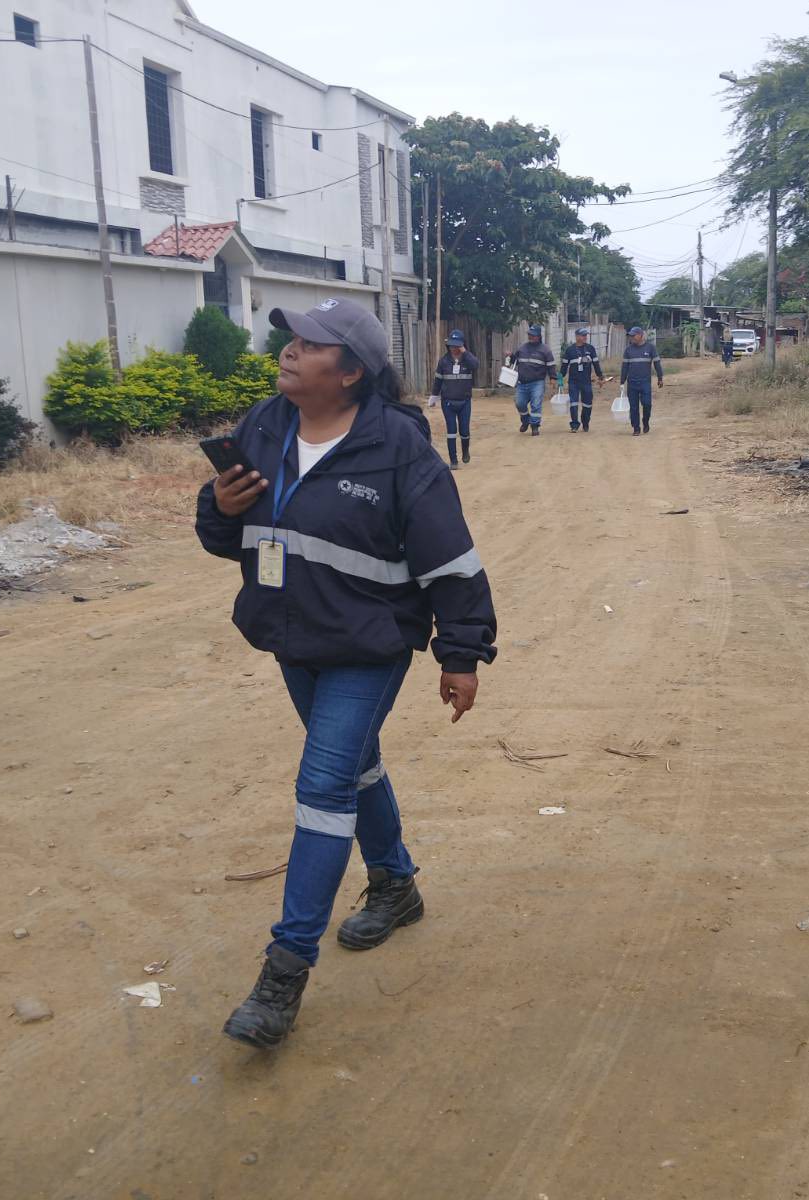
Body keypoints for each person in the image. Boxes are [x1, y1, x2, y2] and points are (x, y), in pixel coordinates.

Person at [195, 297, 498, 1050]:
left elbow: (452, 561)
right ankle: (395, 884)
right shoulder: (265, 426)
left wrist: (461, 654)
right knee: (355, 769)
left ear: (353, 371)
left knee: (324, 785)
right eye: (290, 339)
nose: (290, 351)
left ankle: (285, 969)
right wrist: (219, 506)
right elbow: (226, 534)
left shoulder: (397, 450)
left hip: (370, 643)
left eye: (311, 344)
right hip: (292, 635)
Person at [430, 329, 479, 469]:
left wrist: (465, 352)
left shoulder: (467, 360)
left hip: (465, 401)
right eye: (451, 345)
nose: (454, 348)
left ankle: (465, 451)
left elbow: (476, 365)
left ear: (462, 345)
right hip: (448, 402)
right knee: (451, 431)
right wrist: (434, 397)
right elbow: (438, 381)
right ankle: (453, 460)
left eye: (457, 345)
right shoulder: (443, 361)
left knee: (464, 431)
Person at [506, 324, 556, 436]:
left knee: (536, 404)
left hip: (537, 382)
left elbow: (551, 365)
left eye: (533, 335)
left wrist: (552, 378)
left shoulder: (545, 350)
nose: (531, 337)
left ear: (539, 336)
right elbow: (515, 361)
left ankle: (535, 426)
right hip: (522, 383)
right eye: (529, 335)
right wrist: (511, 356)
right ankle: (525, 420)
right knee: (519, 403)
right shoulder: (522, 348)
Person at [558, 326, 606, 432]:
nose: (585, 337)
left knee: (587, 404)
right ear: (577, 336)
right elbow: (564, 367)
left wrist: (600, 376)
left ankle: (585, 422)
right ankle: (574, 425)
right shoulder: (570, 350)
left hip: (586, 381)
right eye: (583, 335)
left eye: (586, 335)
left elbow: (596, 364)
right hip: (573, 382)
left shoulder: (590, 349)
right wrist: (559, 380)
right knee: (573, 403)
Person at [620, 326, 664, 436]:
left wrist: (660, 378)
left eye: (633, 335)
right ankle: (636, 428)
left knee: (647, 404)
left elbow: (657, 363)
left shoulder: (650, 348)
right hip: (632, 383)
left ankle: (645, 421)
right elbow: (624, 367)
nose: (631, 338)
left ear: (640, 335)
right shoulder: (628, 350)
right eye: (630, 336)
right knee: (633, 407)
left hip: (645, 383)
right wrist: (622, 381)